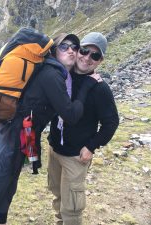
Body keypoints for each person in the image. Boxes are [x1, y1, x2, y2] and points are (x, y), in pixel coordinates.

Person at [0, 32, 100, 225]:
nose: (71, 50)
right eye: (64, 46)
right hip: (14, 131)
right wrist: (87, 86)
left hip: (22, 131)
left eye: (75, 47)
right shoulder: (51, 74)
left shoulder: (58, 73)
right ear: (54, 51)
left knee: (10, 176)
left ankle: (1, 219)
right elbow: (70, 115)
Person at [47, 32, 120, 225]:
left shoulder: (99, 89)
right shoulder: (62, 73)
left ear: (100, 61)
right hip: (54, 149)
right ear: (77, 49)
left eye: (95, 55)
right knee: (58, 194)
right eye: (85, 50)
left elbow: (111, 122)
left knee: (72, 206)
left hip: (76, 156)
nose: (87, 57)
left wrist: (91, 146)